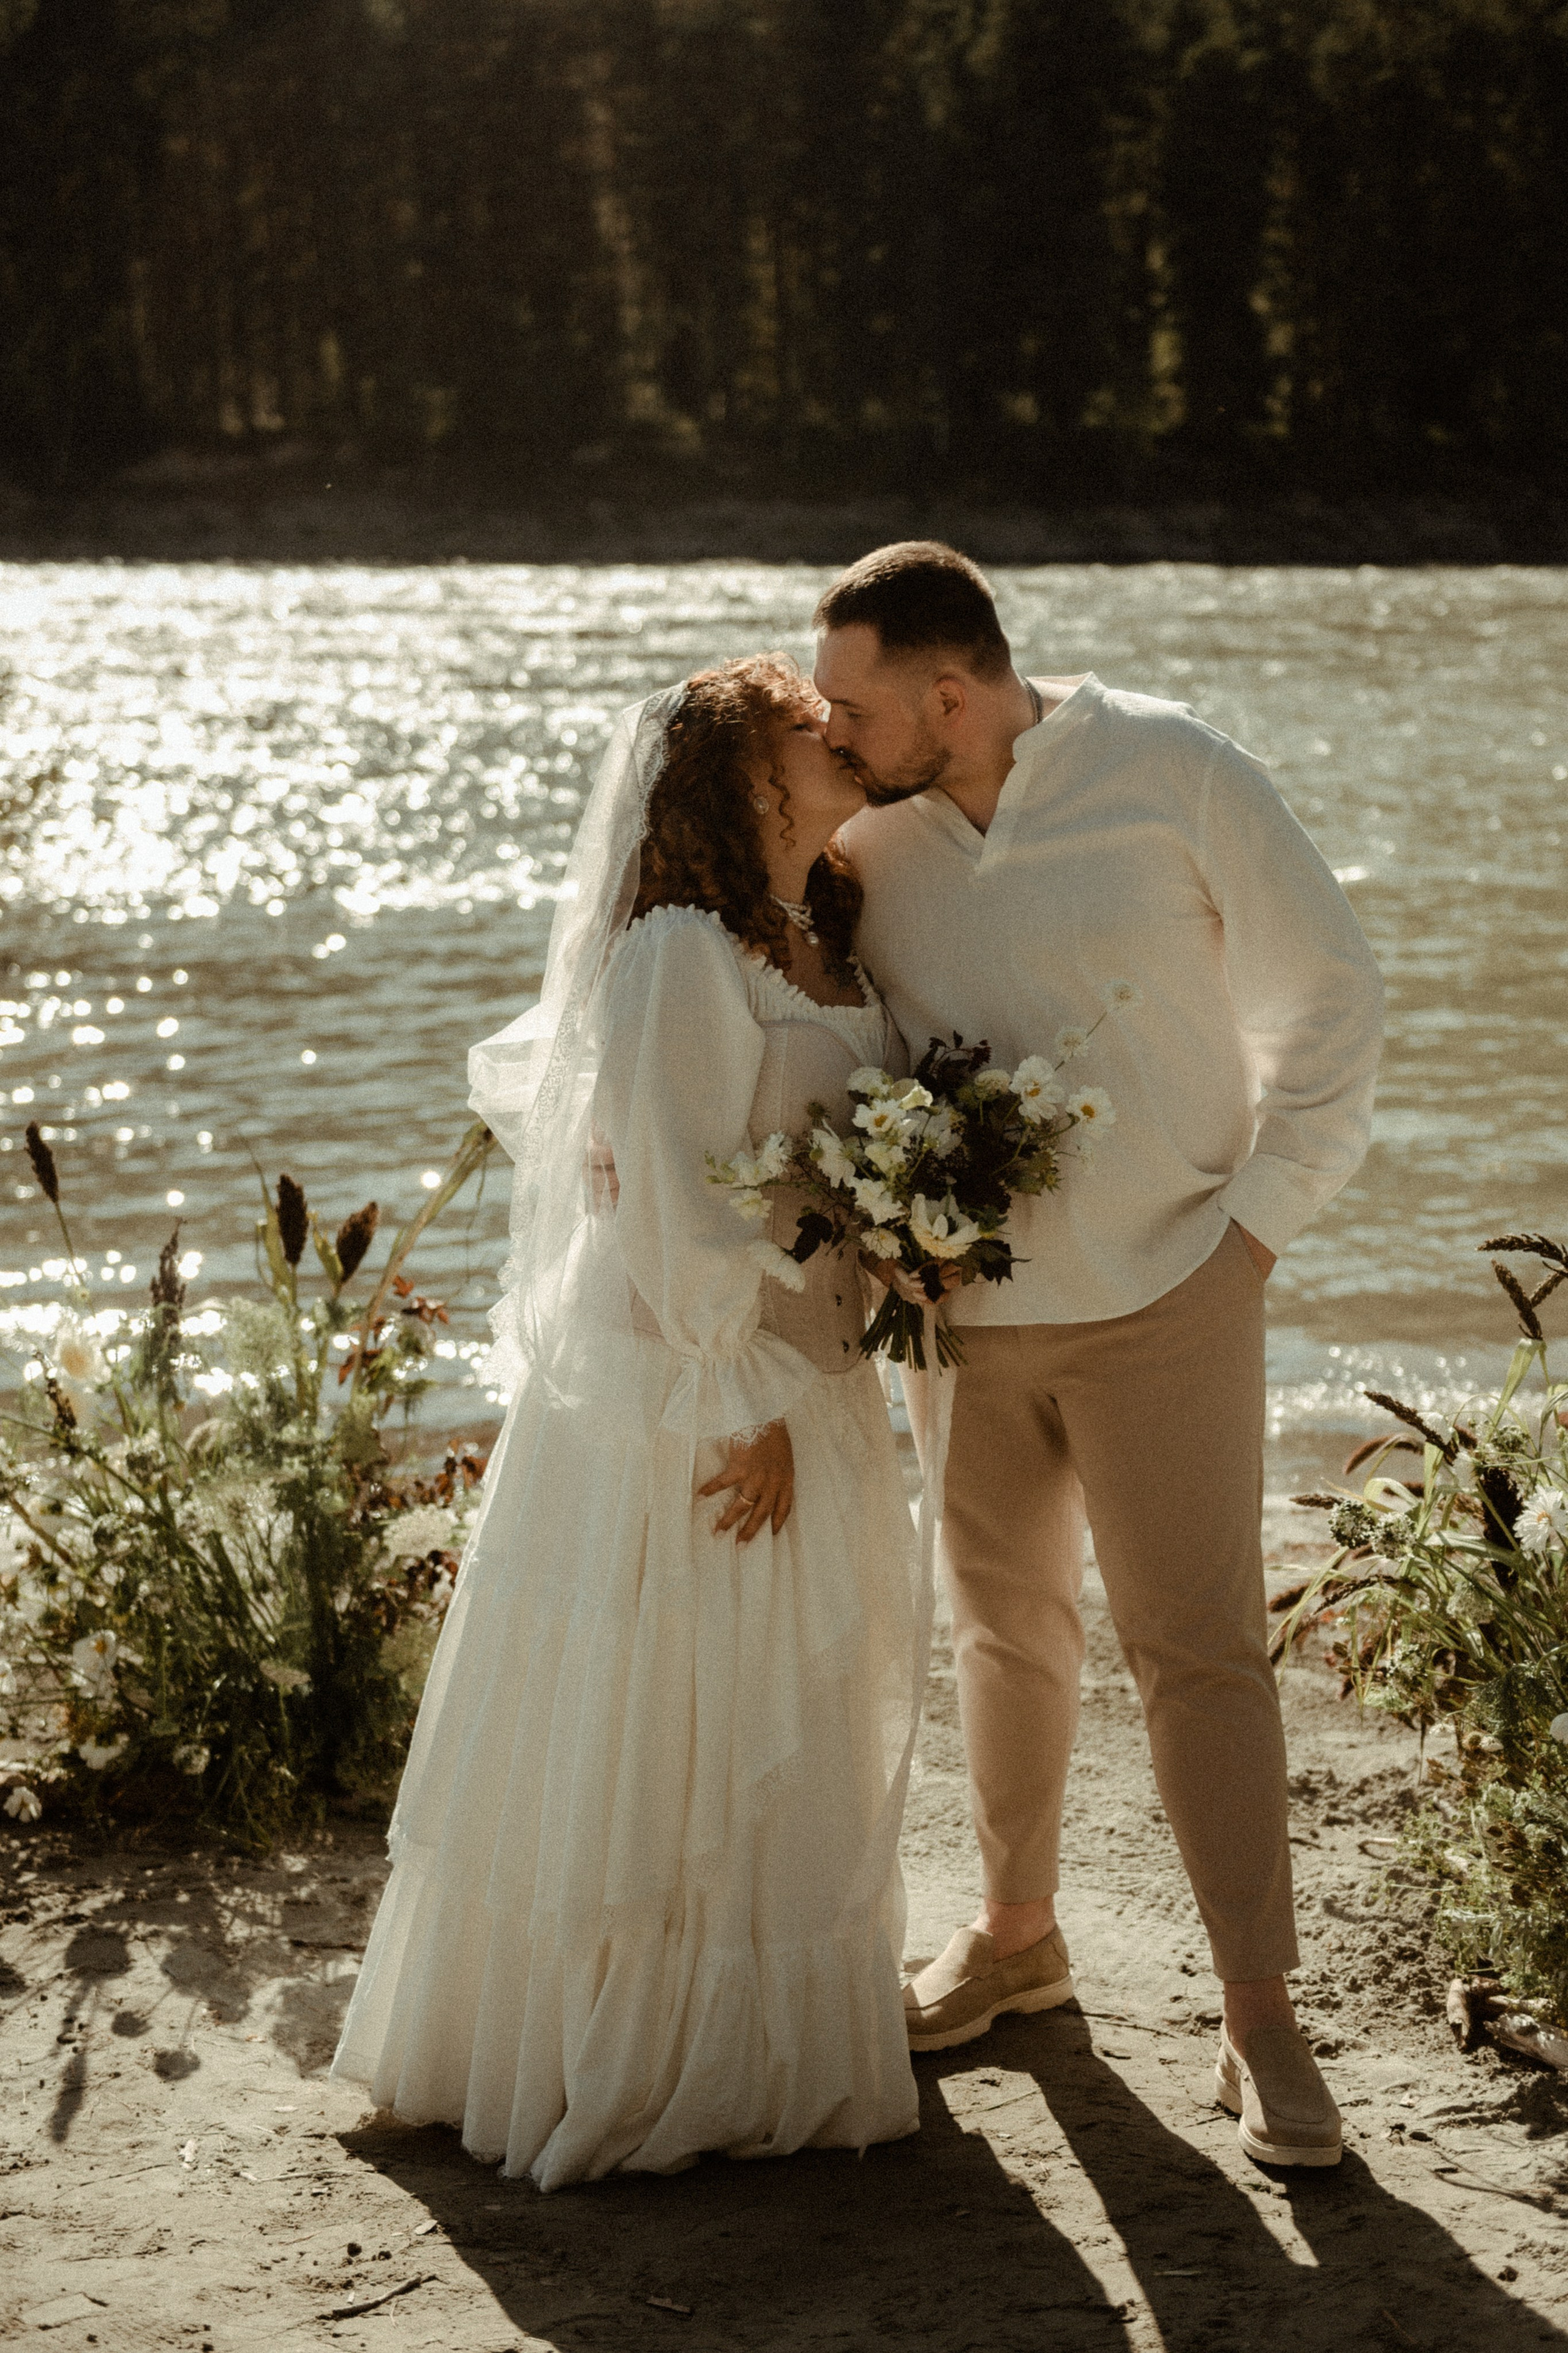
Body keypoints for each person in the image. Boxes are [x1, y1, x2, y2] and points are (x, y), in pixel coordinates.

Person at [817, 542, 1385, 2171]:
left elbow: (1331, 999)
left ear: (951, 691)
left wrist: (1253, 1232)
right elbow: (836, 1038)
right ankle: (1017, 1936)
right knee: (1001, 1637)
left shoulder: (1173, 769)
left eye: (855, 701)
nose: (829, 728)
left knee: (1198, 1651)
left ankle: (1261, 2018)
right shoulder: (864, 833)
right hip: (964, 1320)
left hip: (1173, 1298)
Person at [331, 657, 929, 2187]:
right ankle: (639, 2048)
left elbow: (814, 1162)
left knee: (778, 1714)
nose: (838, 734)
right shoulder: (679, 947)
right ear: (738, 775)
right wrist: (734, 1399)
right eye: (809, 726)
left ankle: (768, 2041)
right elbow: (665, 1190)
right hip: (684, 1379)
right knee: (668, 1711)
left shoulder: (824, 930)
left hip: (808, 1361)